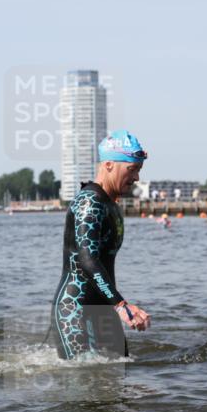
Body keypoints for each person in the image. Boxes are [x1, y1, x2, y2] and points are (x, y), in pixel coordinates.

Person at [52, 129, 151, 359]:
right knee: (84, 386)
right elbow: (88, 260)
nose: (136, 178)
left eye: (138, 170)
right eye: (132, 169)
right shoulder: (89, 202)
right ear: (108, 165)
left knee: (120, 381)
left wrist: (114, 305)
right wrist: (120, 304)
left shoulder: (110, 203)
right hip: (75, 309)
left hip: (104, 307)